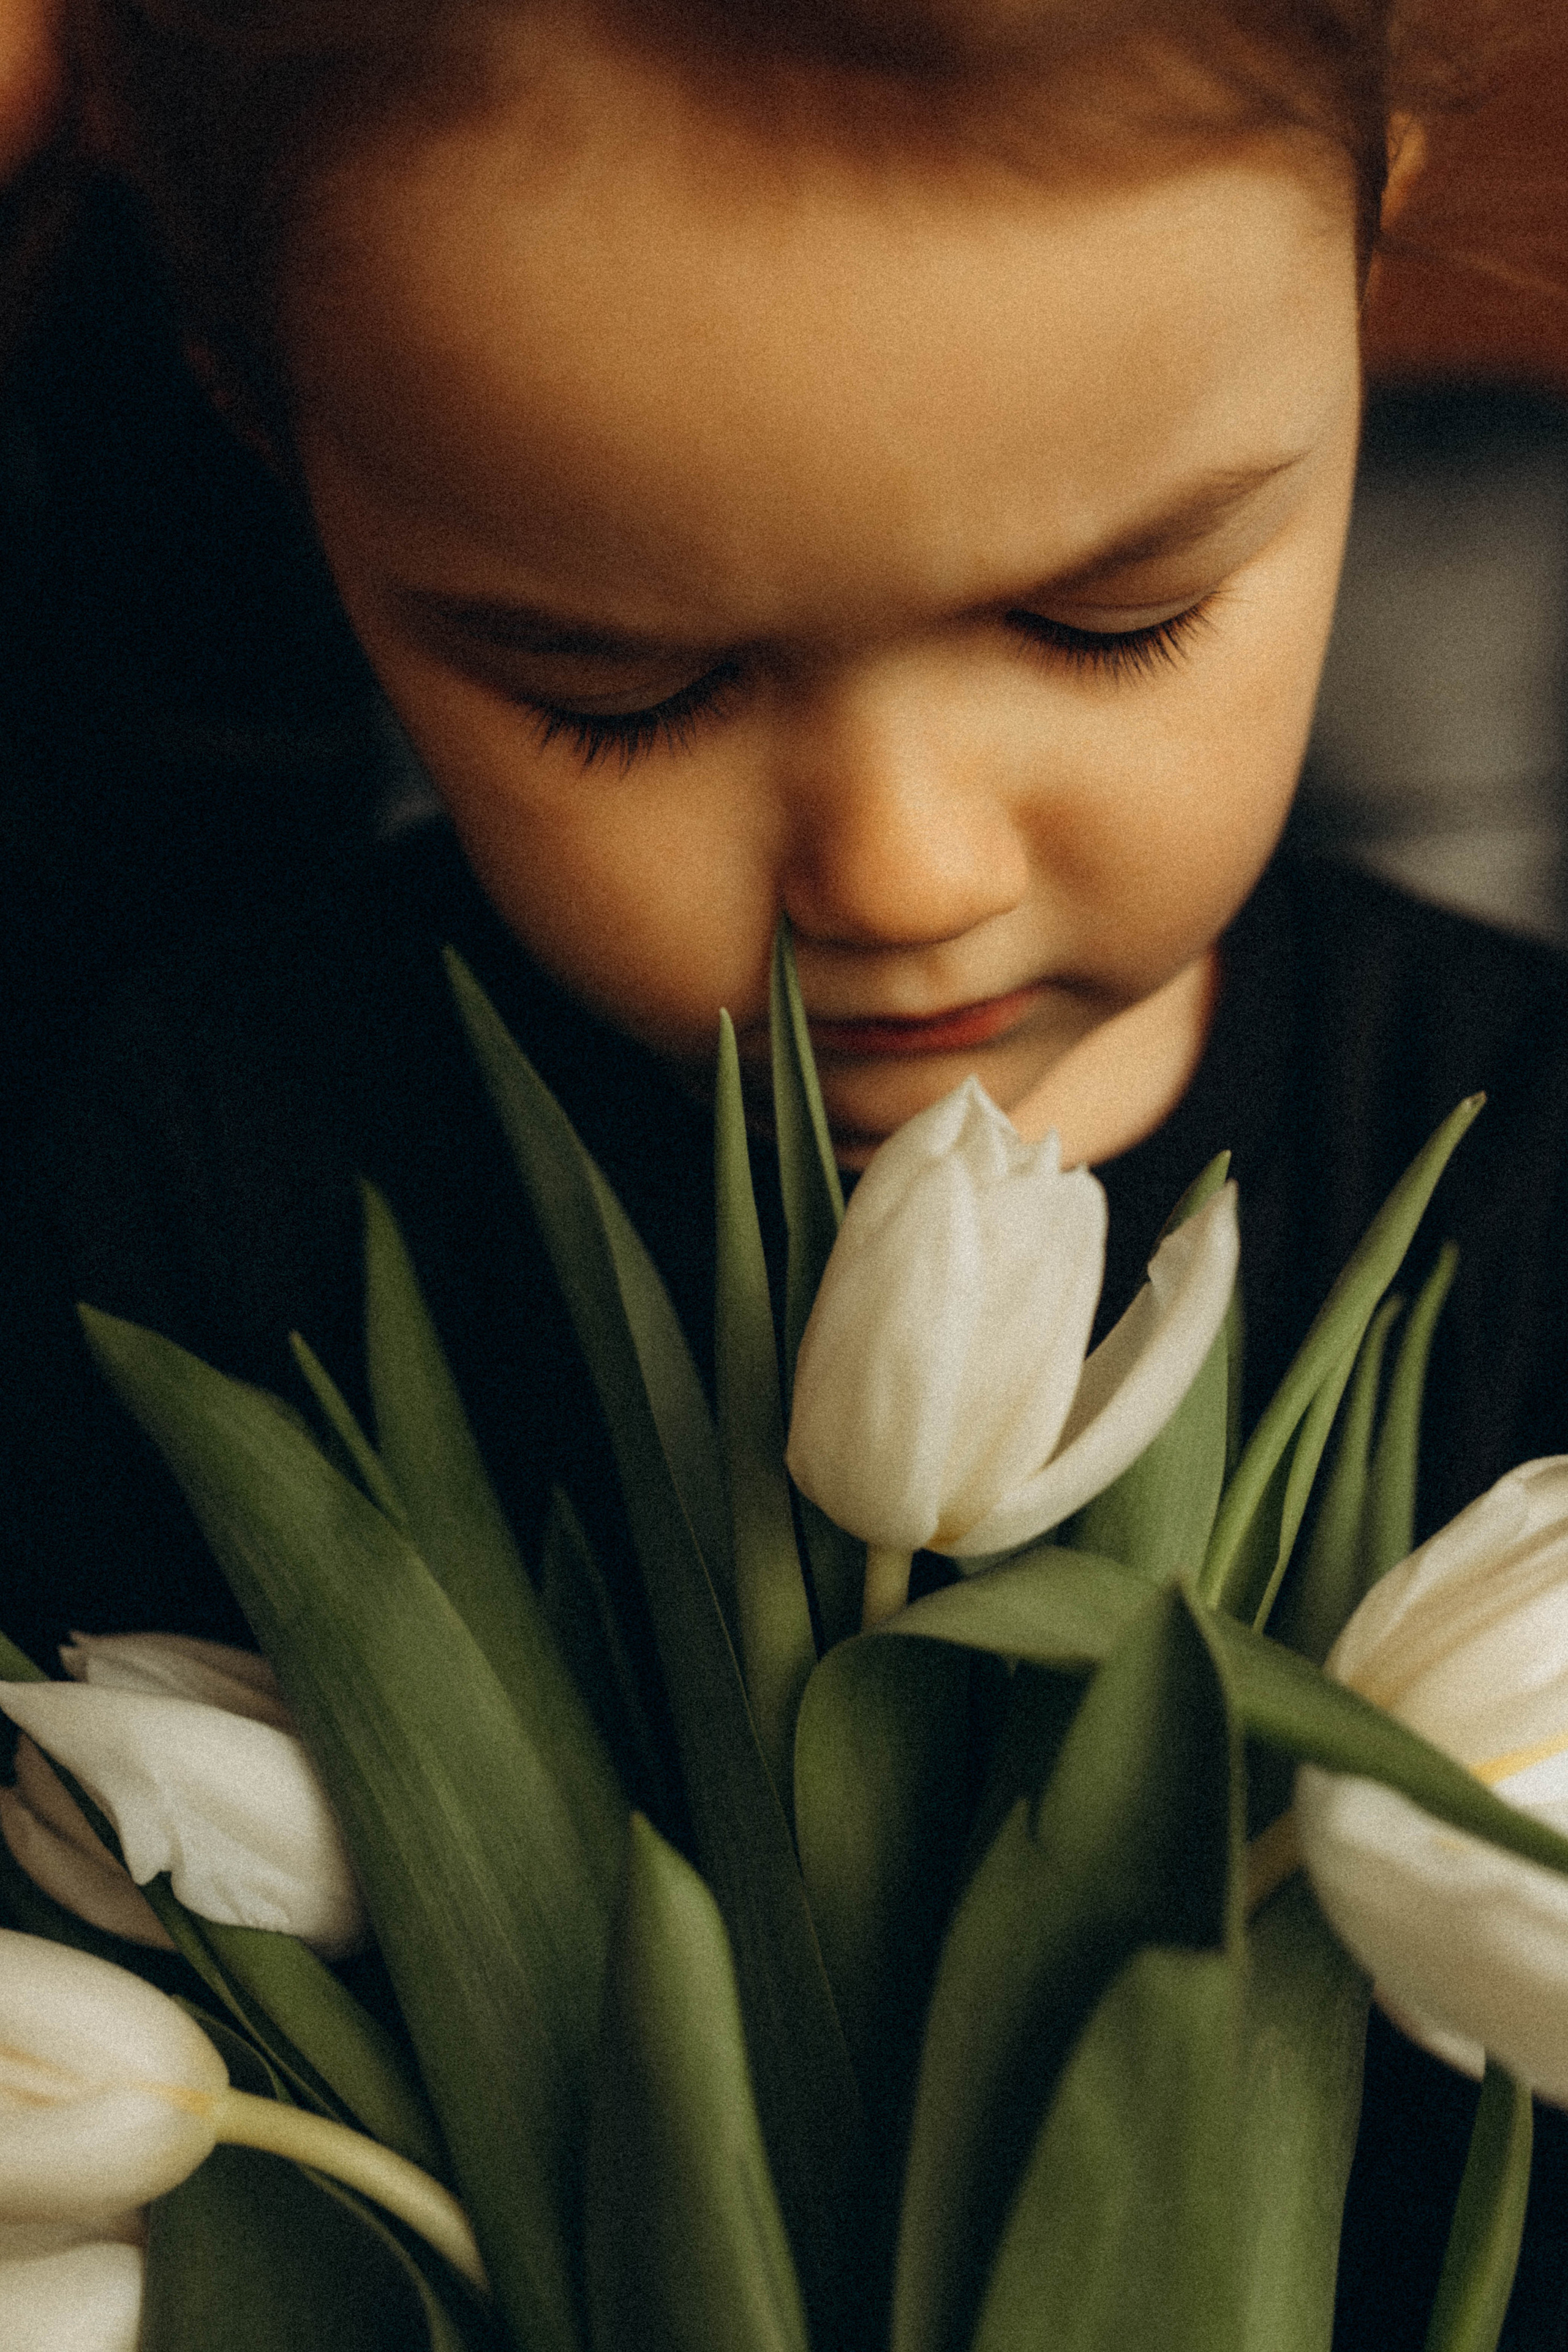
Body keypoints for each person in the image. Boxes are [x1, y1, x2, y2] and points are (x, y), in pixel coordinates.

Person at [2, 0, 1567, 2342]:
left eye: (1109, 617)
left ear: (1362, 250)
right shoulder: (207, 1169)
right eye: (616, 688)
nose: (905, 869)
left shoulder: (1522, 1160)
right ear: (269, 413)